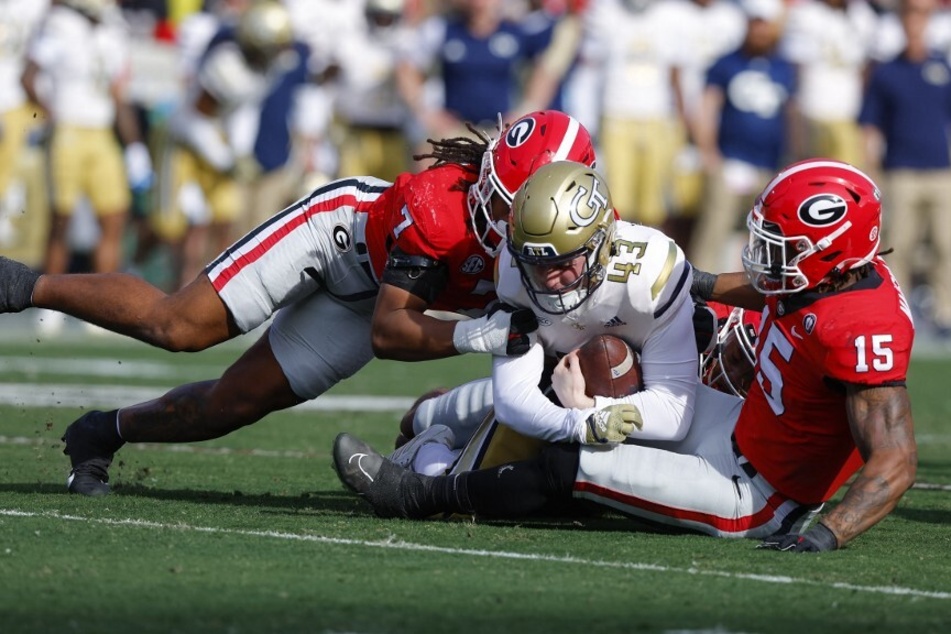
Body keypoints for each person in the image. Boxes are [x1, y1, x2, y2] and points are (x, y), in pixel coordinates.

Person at [0, 108, 597, 497]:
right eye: (491, 191)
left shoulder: (583, 234)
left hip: (370, 301)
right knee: (178, 326)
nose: (492, 212)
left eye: (510, 203)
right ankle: (23, 285)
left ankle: (101, 433)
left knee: (230, 405)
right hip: (338, 240)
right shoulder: (442, 209)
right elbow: (390, 333)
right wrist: (476, 335)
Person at [334, 158, 918, 552]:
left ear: (831, 254)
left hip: (757, 495)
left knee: (572, 464)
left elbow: (894, 459)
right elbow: (776, 287)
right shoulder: (830, 277)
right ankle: (436, 427)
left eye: (780, 248)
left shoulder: (862, 326)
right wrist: (703, 284)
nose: (766, 258)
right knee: (614, 400)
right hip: (738, 429)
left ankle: (421, 494)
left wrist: (826, 535)